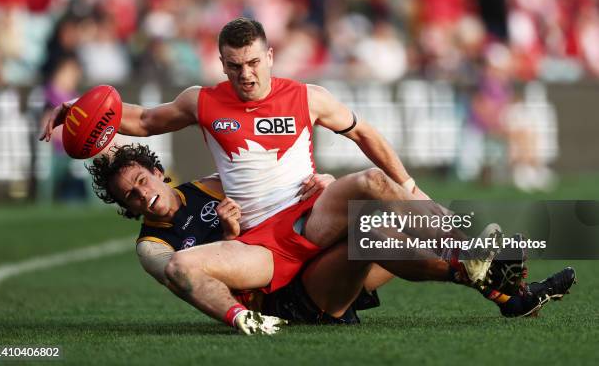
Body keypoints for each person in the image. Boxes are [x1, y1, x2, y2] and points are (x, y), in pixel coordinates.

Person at [39, 17, 559, 330]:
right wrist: (74, 111)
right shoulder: (202, 103)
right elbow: (142, 119)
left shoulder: (307, 96)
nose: (245, 74)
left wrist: (412, 189)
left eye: (252, 62)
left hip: (311, 215)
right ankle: (485, 273)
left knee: (378, 200)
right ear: (222, 65)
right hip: (266, 244)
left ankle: (483, 268)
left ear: (269, 55)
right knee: (373, 219)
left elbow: (365, 136)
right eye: (233, 65)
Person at [87, 144, 576, 334]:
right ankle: (481, 270)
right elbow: (188, 277)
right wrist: (234, 245)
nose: (142, 195)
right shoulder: (153, 247)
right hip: (286, 296)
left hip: (301, 257)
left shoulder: (210, 186)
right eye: (130, 196)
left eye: (142, 181)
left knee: (380, 221)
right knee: (370, 230)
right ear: (125, 208)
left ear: (157, 171)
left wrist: (320, 185)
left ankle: (499, 286)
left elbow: (281, 196)